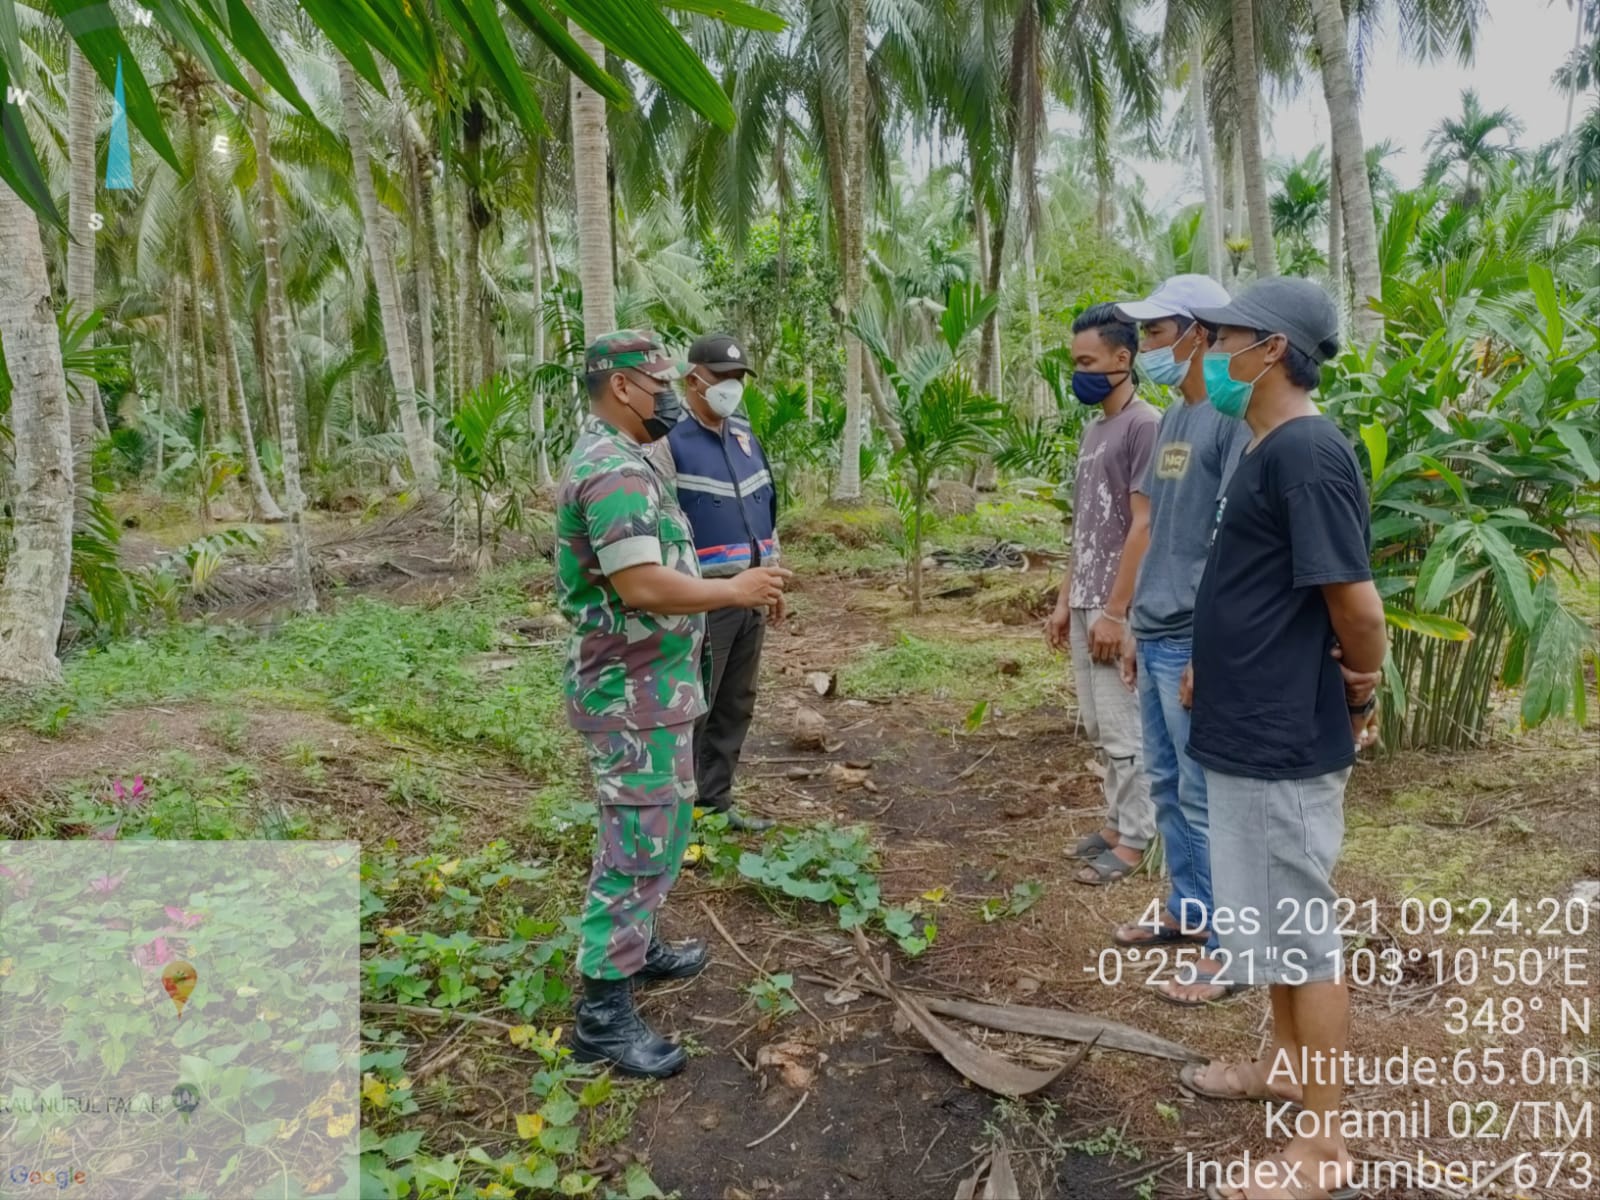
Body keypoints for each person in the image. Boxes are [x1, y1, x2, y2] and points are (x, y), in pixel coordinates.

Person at [1175, 279, 1385, 1200]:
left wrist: (1363, 688)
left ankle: (1325, 1148)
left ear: (1270, 348)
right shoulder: (1264, 446)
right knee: (1264, 926)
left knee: (1300, 934)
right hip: (1242, 725)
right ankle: (1287, 1070)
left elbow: (1356, 604)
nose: (1204, 352)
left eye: (1220, 336)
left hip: (1279, 736)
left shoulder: (1307, 452)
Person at [556, 330, 790, 1078]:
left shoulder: (625, 460)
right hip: (632, 693)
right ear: (623, 386)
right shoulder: (613, 471)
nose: (667, 397)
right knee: (636, 845)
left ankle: (640, 945)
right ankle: (602, 1018)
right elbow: (641, 585)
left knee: (653, 826)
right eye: (658, 384)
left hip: (651, 688)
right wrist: (732, 589)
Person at [1109, 275, 1251, 1005]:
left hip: (1195, 635)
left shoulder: (1231, 423)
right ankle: (1187, 911)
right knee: (1167, 787)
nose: (1149, 348)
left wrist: (1207, 648)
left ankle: (1229, 946)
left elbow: (1230, 542)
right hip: (1156, 629)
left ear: (1199, 334)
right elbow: (1154, 528)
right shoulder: (1171, 422)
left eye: (1159, 333)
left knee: (1204, 796)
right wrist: (1131, 620)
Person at [1045, 304, 1160, 886]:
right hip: (1090, 599)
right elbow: (1086, 526)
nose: (1079, 373)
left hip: (1121, 605)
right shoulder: (1095, 430)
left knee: (1124, 727)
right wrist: (1068, 600)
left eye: (1088, 362)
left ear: (1124, 359)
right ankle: (1115, 823)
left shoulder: (1146, 426)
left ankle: (1138, 837)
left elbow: (1142, 525)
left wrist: (1115, 612)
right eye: (1075, 362)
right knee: (1098, 724)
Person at [667, 333, 781, 834]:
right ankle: (679, 818)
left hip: (751, 593)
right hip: (704, 597)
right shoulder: (668, 442)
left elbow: (765, 508)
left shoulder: (743, 436)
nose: (731, 388)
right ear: (693, 380)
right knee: (694, 706)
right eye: (721, 378)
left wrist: (773, 579)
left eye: (738, 378)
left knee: (736, 702)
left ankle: (715, 805)